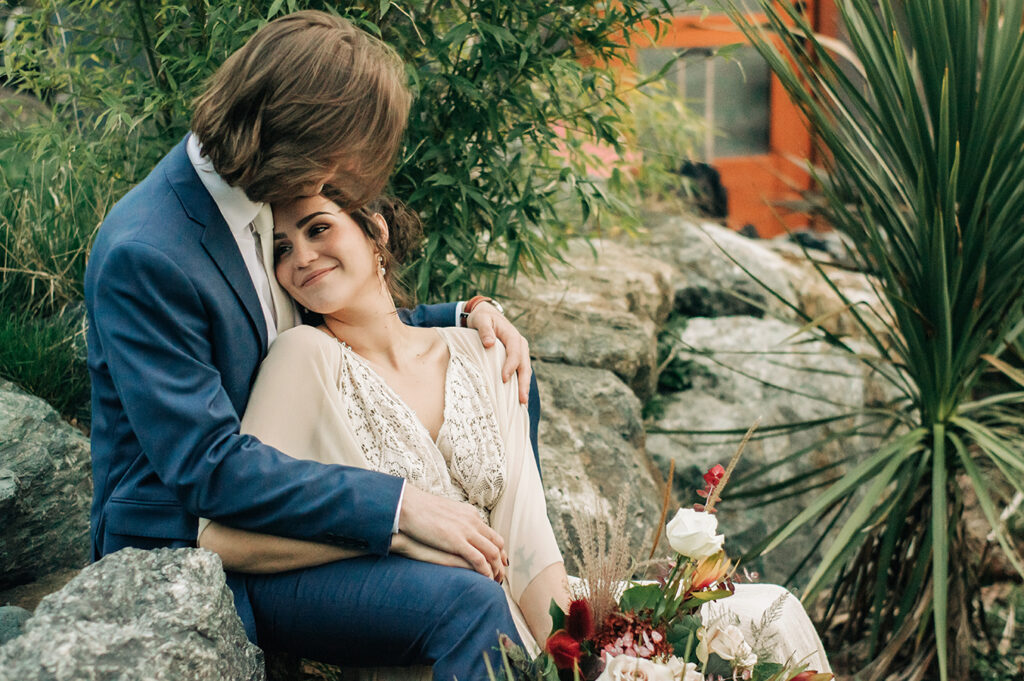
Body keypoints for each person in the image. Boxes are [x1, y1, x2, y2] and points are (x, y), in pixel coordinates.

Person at [84, 10, 541, 680]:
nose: (348, 174)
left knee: (506, 380)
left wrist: (467, 315)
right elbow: (208, 467)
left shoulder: (263, 189)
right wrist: (401, 507)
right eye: (341, 156)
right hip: (204, 549)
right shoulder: (147, 252)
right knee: (464, 600)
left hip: (292, 502)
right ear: (295, 134)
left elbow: (329, 293)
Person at [197, 194, 570, 675]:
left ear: (376, 233)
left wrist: (576, 658)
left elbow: (528, 540)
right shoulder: (304, 356)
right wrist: (391, 533)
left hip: (498, 611)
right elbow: (221, 539)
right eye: (281, 249)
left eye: (318, 229)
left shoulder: (486, 352)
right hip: (414, 618)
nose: (302, 257)